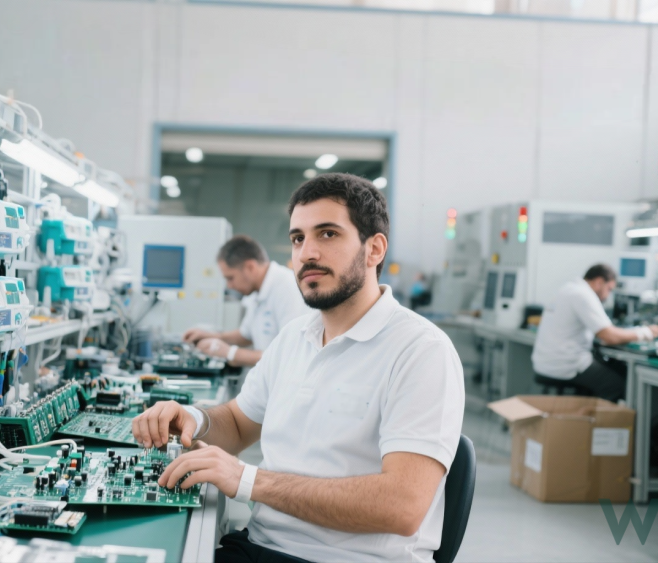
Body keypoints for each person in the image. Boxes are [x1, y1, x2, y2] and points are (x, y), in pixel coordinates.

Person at [133, 173, 464, 563]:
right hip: (261, 547)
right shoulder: (295, 337)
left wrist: (246, 479)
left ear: (374, 250)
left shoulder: (420, 351)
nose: (307, 253)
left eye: (327, 234)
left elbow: (402, 507)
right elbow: (239, 424)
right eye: (297, 238)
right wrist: (193, 419)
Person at [531, 263, 658, 402]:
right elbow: (610, 336)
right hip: (566, 365)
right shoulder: (583, 294)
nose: (608, 295)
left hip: (544, 363)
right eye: (609, 289)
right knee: (620, 386)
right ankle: (597, 422)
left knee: (612, 371)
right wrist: (645, 332)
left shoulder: (567, 289)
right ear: (599, 282)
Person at [182, 235, 308, 367]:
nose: (229, 286)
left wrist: (229, 353)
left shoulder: (288, 289)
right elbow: (245, 335)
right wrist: (212, 336)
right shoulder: (255, 291)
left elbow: (289, 355)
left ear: (250, 267)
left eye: (230, 278)